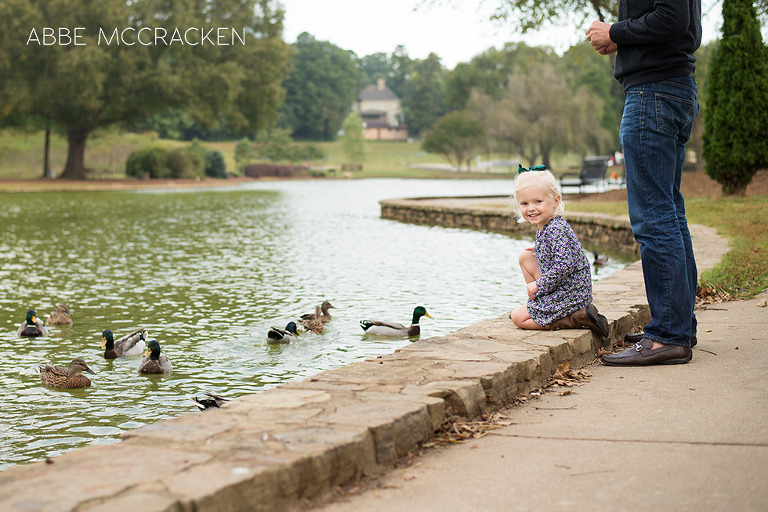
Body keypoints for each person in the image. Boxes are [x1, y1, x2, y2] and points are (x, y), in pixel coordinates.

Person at [586, 0, 701, 366]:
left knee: (654, 218)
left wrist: (614, 31)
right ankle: (678, 325)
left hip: (653, 94)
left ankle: (668, 334)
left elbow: (672, 18)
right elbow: (683, 29)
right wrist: (624, 40)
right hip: (673, 88)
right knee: (670, 214)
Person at [509, 165, 609, 338]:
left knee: (518, 318)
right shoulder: (547, 227)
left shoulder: (555, 229)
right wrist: (540, 249)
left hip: (572, 293)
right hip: (565, 289)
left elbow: (564, 266)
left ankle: (572, 319)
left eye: (537, 202)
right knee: (526, 257)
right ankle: (543, 305)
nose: (531, 208)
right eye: (525, 203)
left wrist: (538, 285)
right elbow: (561, 252)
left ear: (555, 201)